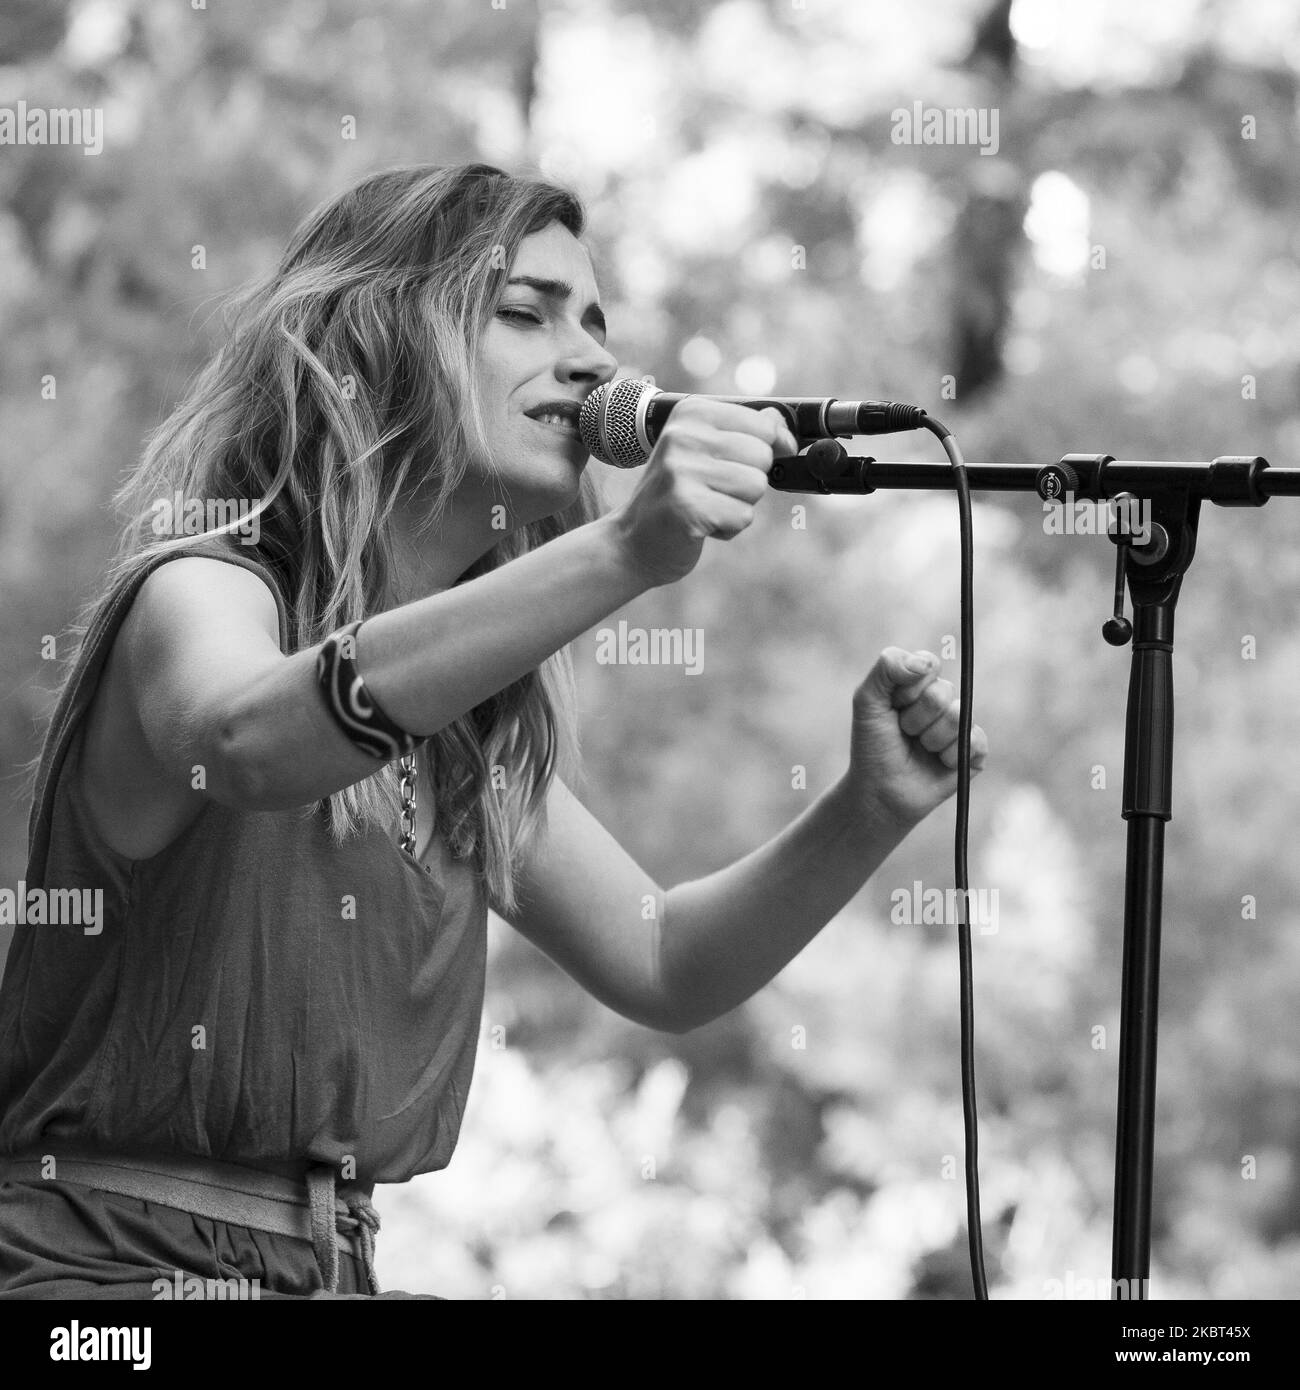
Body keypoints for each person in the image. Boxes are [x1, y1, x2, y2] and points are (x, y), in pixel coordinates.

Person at [0, 162, 988, 1299]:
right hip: (101, 1280)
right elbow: (244, 742)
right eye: (524, 313)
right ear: (369, 344)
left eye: (595, 325)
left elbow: (664, 959)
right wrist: (621, 554)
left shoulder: (460, 730)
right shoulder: (203, 593)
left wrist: (866, 810)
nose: (592, 360)